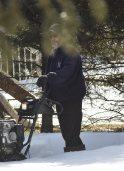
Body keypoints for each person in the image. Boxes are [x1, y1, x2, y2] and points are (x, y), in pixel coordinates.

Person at [36, 24, 86, 152]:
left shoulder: (71, 52)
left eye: (55, 36)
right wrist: (48, 97)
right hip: (60, 100)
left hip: (71, 98)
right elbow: (50, 79)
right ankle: (81, 157)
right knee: (68, 134)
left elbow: (66, 72)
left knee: (70, 134)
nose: (53, 39)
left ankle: (72, 159)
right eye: (51, 37)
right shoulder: (53, 54)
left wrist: (48, 77)